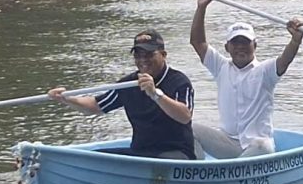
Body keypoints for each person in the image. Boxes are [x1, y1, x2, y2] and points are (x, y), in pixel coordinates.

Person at [189, 0, 303, 159]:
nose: (240, 47)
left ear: (255, 46)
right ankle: (200, 173)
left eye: (245, 42)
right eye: (236, 43)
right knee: (187, 128)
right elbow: (197, 41)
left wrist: (295, 40)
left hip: (257, 147)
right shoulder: (221, 67)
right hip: (229, 143)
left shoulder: (265, 71)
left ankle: (231, 175)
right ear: (227, 47)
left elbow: (284, 60)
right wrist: (202, 8)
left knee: (262, 144)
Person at [47, 29, 197, 160]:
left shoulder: (179, 81)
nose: (143, 60)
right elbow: (95, 106)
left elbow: (184, 116)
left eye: (149, 54)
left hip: (175, 153)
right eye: (138, 55)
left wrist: (155, 94)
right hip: (141, 152)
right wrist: (66, 99)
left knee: (155, 162)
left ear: (163, 55)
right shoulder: (128, 84)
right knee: (97, 157)